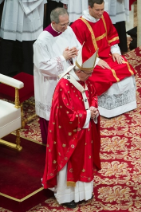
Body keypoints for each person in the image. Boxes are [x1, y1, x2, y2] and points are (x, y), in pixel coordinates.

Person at [42, 49, 101, 209]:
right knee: (70, 162)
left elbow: (92, 95)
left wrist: (94, 109)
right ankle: (65, 195)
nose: (90, 77)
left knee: (84, 159)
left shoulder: (85, 80)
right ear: (79, 71)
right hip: (68, 135)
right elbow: (64, 115)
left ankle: (84, 193)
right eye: (88, 74)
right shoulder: (64, 85)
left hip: (84, 129)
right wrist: (87, 114)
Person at [70, 0, 137, 118]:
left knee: (124, 66)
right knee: (107, 75)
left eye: (102, 9)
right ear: (89, 8)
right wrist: (95, 61)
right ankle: (108, 109)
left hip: (107, 55)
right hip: (89, 61)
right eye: (97, 10)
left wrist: (115, 52)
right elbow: (77, 50)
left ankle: (126, 104)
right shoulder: (78, 25)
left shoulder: (104, 16)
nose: (101, 13)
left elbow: (111, 34)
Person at [33, 7, 81, 144]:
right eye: (63, 25)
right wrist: (63, 57)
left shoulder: (68, 30)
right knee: (53, 112)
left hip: (69, 77)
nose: (67, 27)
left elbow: (78, 46)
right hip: (50, 83)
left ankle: (69, 140)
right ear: (53, 23)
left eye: (67, 23)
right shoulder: (42, 41)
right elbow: (43, 67)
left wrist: (74, 52)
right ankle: (53, 145)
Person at [0, 0, 46, 76]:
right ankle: (7, 77)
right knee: (8, 49)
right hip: (11, 12)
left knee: (27, 52)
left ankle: (27, 77)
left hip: (28, 17)